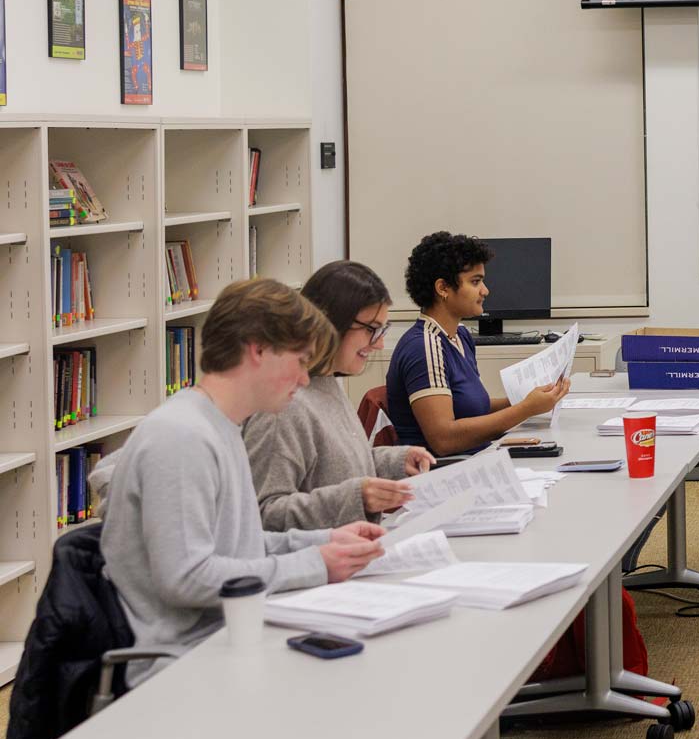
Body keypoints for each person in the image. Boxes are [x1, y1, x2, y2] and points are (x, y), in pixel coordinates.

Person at [100, 278, 384, 681]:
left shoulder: (222, 426)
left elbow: (237, 546)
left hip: (230, 636)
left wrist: (324, 541)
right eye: (301, 361)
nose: (306, 379)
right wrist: (315, 564)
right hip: (182, 664)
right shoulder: (182, 437)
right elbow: (187, 578)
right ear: (259, 350)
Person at [246, 260, 437, 530]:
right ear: (331, 322)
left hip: (350, 557)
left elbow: (334, 466)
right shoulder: (283, 407)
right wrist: (355, 498)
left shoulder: (327, 382)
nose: (380, 343)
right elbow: (264, 517)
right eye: (371, 329)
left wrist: (395, 461)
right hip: (319, 566)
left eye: (382, 329)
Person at [384, 230, 569, 457]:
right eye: (475, 282)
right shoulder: (424, 346)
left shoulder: (460, 336)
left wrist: (528, 401)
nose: (485, 290)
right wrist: (526, 408)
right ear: (442, 288)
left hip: (473, 459)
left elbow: (471, 407)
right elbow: (444, 439)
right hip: (443, 474)